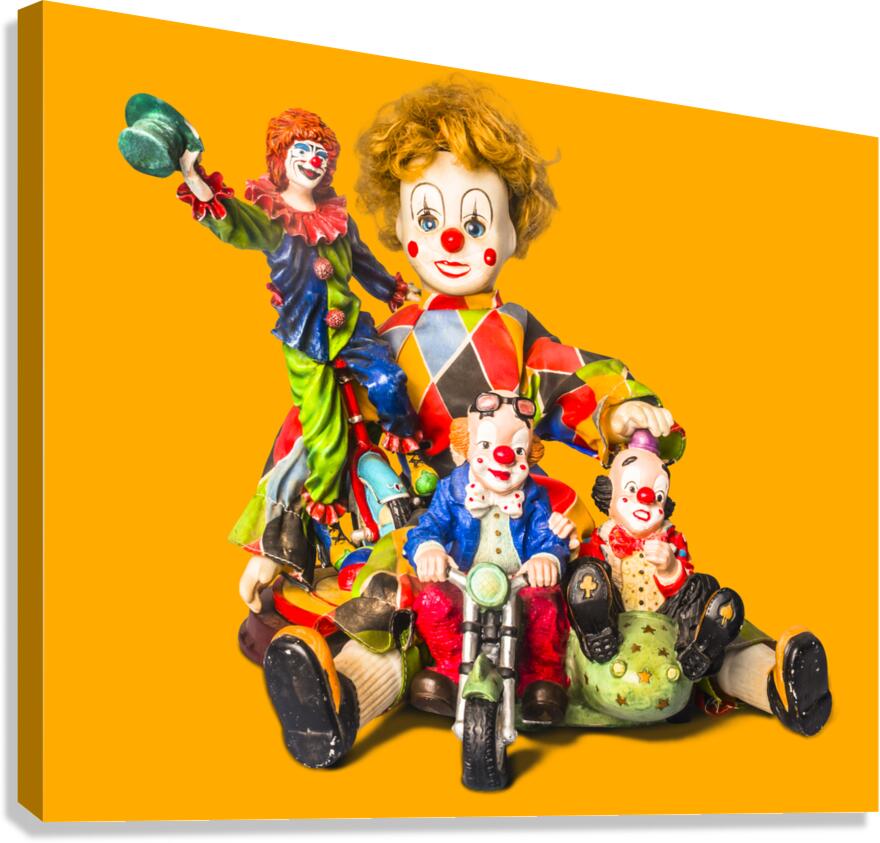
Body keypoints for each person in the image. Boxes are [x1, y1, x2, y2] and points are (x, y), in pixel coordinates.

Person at [175, 107, 420, 526]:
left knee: (390, 382)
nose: (313, 159)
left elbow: (363, 263)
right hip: (305, 340)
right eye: (302, 150)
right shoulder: (272, 217)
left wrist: (394, 291)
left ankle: (409, 450)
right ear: (281, 158)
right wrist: (193, 175)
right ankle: (321, 512)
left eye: (321, 152)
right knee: (324, 441)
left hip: (352, 330)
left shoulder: (338, 218)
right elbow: (234, 220)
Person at [405, 391, 571, 724]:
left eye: (518, 449)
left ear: (529, 454)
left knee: (546, 606)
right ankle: (450, 670)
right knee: (434, 601)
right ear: (467, 446)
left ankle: (539, 678)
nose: (504, 456)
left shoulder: (534, 496)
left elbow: (547, 537)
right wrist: (430, 550)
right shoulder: (452, 489)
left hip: (517, 583)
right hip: (465, 581)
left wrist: (546, 558)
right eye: (486, 445)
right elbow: (428, 527)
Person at [567, 430, 745, 681]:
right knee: (586, 570)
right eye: (632, 489)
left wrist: (670, 570)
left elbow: (685, 589)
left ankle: (695, 649)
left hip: (664, 619)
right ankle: (597, 635)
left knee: (704, 584)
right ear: (609, 493)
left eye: (658, 495)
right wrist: (570, 548)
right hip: (616, 619)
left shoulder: (672, 540)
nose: (646, 498)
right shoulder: (601, 539)